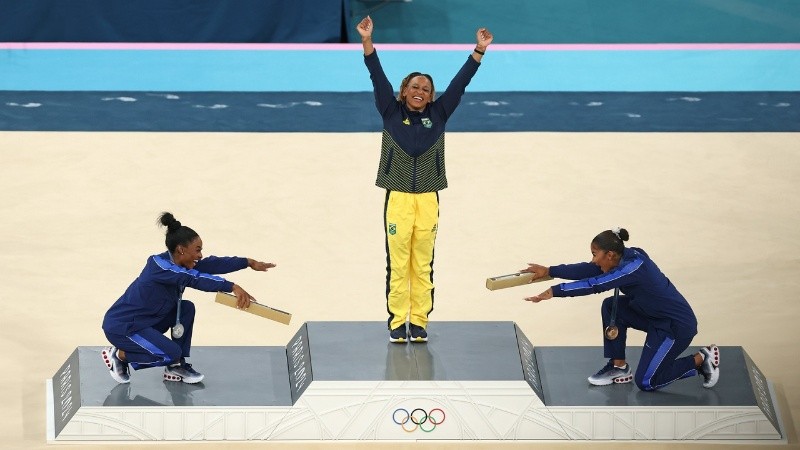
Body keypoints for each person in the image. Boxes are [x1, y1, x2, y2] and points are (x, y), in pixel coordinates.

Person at [356, 15, 493, 343]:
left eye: (426, 89)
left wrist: (479, 50)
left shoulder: (440, 113)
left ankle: (418, 321)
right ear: (403, 91)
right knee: (398, 262)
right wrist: (367, 42)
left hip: (429, 198)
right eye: (414, 87)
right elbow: (377, 77)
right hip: (398, 200)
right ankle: (395, 321)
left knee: (423, 262)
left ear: (431, 97)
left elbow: (460, 84)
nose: (420, 91)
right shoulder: (390, 111)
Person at [520, 228, 720, 391]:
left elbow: (594, 284)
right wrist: (550, 271)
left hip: (675, 327)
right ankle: (619, 367)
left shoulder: (633, 267)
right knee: (611, 306)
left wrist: (555, 291)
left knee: (647, 382)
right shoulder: (621, 258)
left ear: (610, 254)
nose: (593, 260)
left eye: (594, 254)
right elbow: (589, 270)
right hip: (652, 317)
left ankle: (701, 359)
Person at [101, 212, 276, 384]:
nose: (200, 255)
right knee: (170, 353)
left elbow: (213, 263)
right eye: (198, 250)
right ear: (181, 250)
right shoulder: (158, 265)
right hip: (124, 327)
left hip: (147, 321)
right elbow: (194, 278)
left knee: (186, 308)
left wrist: (248, 262)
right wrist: (233, 287)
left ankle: (176, 366)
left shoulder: (183, 262)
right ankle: (120, 355)